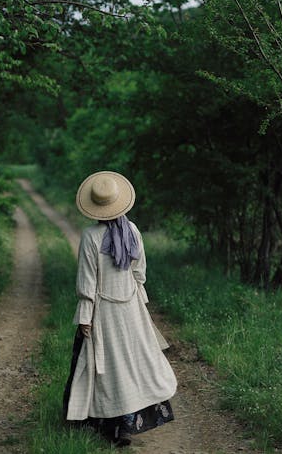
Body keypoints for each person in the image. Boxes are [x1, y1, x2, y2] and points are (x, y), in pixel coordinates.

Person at [63, 170, 177, 448]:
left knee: (107, 367)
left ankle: (106, 425)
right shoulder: (133, 230)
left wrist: (85, 316)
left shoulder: (91, 236)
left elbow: (87, 282)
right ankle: (128, 424)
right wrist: (137, 303)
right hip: (131, 308)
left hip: (104, 311)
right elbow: (140, 274)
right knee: (133, 362)